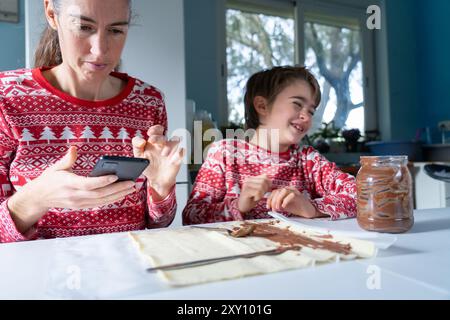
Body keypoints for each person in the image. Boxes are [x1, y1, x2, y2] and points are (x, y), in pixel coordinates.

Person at [0, 0, 184, 243]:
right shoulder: (7, 97)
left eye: (116, 30)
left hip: (129, 272)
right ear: (52, 14)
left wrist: (161, 186)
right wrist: (36, 198)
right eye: (84, 27)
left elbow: (159, 222)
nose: (100, 50)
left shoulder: (149, 102)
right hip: (41, 275)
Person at [183, 66, 356, 225]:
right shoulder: (225, 155)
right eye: (297, 104)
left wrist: (311, 208)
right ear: (262, 106)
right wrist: (238, 205)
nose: (307, 117)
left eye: (311, 111)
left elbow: (361, 195)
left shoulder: (308, 160)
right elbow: (191, 216)